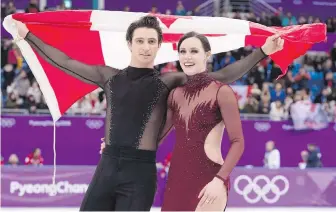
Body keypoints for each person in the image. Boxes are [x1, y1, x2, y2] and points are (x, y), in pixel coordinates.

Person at [15, 15, 282, 211]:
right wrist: (27, 36)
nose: (145, 46)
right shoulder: (109, 77)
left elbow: (220, 76)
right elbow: (65, 62)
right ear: (130, 44)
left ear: (159, 46)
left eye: (151, 41)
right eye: (140, 41)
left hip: (140, 172)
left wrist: (262, 52)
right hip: (106, 167)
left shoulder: (169, 82)